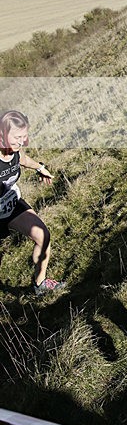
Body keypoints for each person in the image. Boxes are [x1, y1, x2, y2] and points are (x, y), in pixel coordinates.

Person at [0, 110, 65, 295]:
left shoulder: (14, 150)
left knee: (43, 236)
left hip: (11, 205)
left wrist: (40, 168)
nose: (21, 142)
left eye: (24, 137)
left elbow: (22, 158)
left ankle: (40, 284)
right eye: (17, 137)